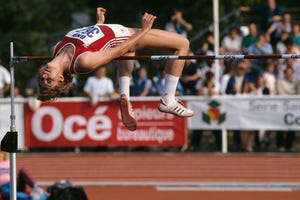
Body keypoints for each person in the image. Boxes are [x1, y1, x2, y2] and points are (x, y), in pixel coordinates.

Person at [37, 7, 194, 131]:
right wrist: (144, 31)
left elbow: (92, 40)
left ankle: (124, 95)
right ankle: (168, 99)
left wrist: (99, 24)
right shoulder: (82, 62)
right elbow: (117, 51)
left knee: (129, 52)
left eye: (43, 79)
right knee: (182, 44)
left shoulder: (55, 49)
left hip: (117, 32)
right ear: (61, 78)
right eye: (49, 81)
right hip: (127, 36)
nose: (45, 75)